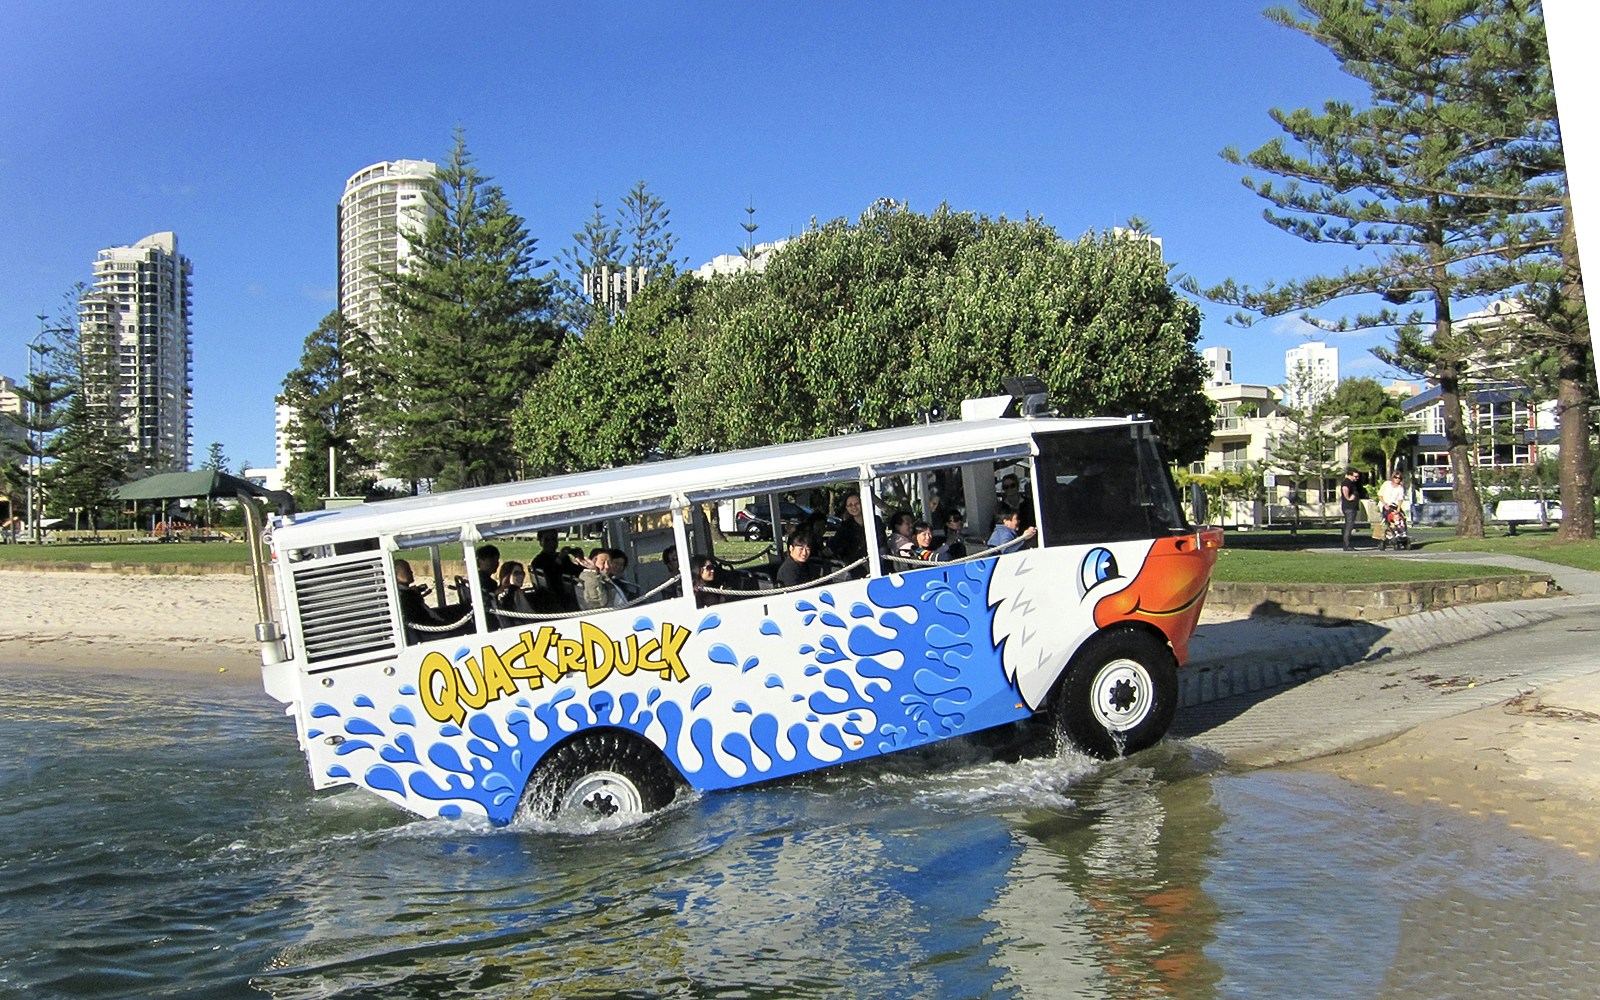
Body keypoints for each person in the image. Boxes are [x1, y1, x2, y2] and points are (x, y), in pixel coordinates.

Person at [828, 493, 870, 568]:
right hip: (854, 567)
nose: (854, 507)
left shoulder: (874, 521)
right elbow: (835, 546)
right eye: (850, 505)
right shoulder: (844, 527)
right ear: (846, 508)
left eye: (857, 503)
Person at [1340, 468, 1367, 551]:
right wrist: (1348, 498)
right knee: (1349, 525)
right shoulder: (1347, 482)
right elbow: (1345, 489)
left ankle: (1347, 544)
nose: (1356, 478)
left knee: (1349, 525)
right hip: (1349, 507)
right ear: (1349, 475)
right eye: (1355, 476)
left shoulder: (1352, 483)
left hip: (1352, 507)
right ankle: (1346, 545)